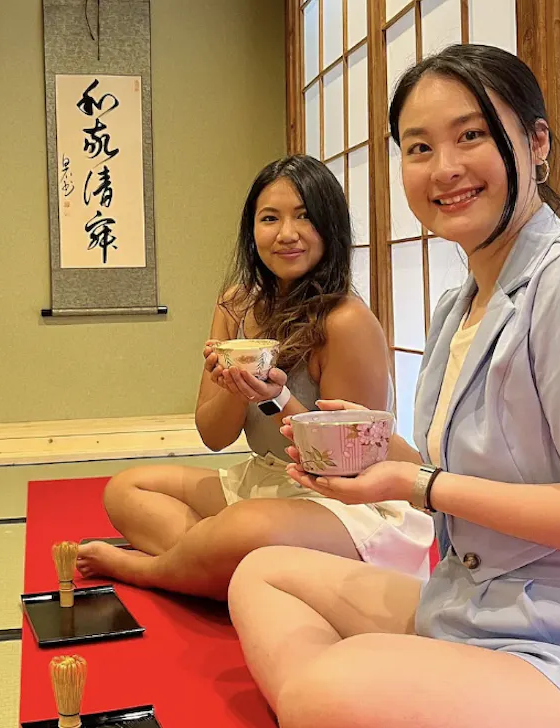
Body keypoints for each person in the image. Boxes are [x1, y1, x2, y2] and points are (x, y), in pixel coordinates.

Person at [227, 44, 560, 728]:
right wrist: (372, 451)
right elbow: (451, 472)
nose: (445, 169)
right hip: (474, 603)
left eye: (472, 135)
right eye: (419, 147)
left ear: (536, 142)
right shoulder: (457, 305)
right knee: (262, 572)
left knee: (326, 690)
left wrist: (415, 486)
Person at [76, 154, 434, 600]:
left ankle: (158, 571)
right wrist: (234, 389)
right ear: (252, 231)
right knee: (127, 490)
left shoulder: (345, 321)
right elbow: (213, 437)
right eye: (270, 218)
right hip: (266, 477)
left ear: (331, 228)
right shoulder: (235, 306)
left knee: (242, 526)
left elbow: (348, 464)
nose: (286, 234)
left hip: (342, 501)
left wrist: (277, 399)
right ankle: (231, 567)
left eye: (304, 217)